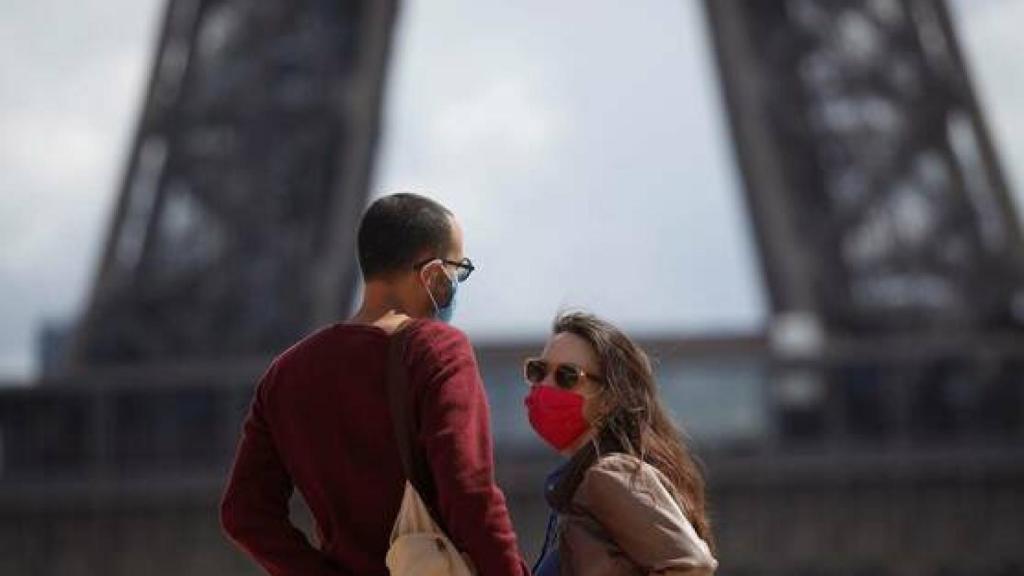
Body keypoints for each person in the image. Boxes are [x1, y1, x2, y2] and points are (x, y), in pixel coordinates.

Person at [220, 192, 530, 576]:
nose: (455, 284)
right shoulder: (436, 348)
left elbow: (243, 512)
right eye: (456, 270)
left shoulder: (285, 373)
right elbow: (469, 492)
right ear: (432, 272)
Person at [524, 311, 718, 575]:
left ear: (609, 399)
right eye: (538, 371)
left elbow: (691, 564)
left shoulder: (610, 474)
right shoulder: (576, 486)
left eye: (567, 376)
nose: (545, 385)